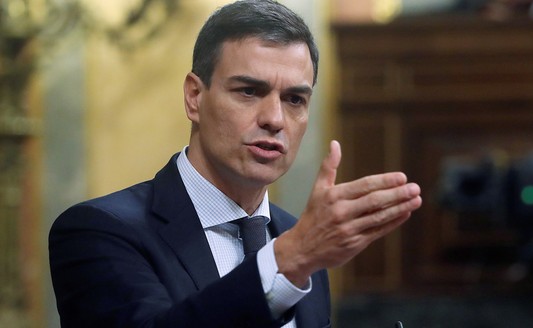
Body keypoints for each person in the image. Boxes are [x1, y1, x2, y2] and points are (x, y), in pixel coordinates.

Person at [49, 1, 422, 327]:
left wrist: (297, 254)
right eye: (249, 91)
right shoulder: (100, 231)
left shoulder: (299, 237)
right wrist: (289, 261)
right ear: (195, 97)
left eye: (294, 99)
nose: (275, 119)